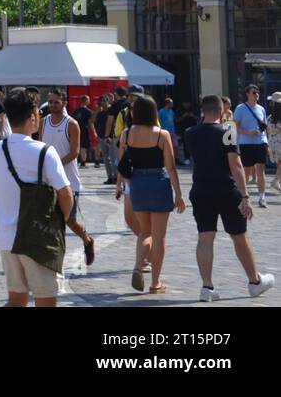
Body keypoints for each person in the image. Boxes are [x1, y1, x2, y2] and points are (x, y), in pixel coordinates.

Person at [183, 95, 274, 301]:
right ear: (221, 111)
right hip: (225, 189)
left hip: (201, 189)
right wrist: (245, 195)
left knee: (205, 237)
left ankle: (207, 287)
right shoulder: (228, 130)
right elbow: (235, 164)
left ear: (203, 111)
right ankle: (254, 281)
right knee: (239, 236)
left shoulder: (190, 133)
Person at [0, 87, 74, 307]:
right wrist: (62, 219)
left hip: (8, 239)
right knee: (46, 300)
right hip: (37, 239)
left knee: (16, 300)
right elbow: (65, 193)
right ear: (33, 116)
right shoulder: (45, 151)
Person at [115, 94, 184, 293]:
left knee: (144, 231)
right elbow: (171, 167)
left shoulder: (126, 134)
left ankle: (138, 266)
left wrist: (119, 184)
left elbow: (122, 164)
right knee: (159, 236)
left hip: (137, 183)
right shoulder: (162, 135)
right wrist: (178, 194)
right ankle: (155, 283)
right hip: (158, 182)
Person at [42, 89, 97, 265]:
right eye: (50, 102)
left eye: (56, 102)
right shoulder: (43, 122)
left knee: (70, 221)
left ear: (64, 103)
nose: (52, 105)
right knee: (50, 221)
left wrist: (55, 163)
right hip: (48, 181)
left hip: (69, 182)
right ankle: (54, 257)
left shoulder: (71, 124)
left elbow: (74, 152)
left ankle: (88, 240)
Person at [233, 84, 269, 207]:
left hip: (260, 142)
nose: (256, 94)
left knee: (260, 170)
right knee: (246, 171)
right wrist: (248, 132)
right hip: (246, 143)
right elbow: (235, 126)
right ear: (247, 94)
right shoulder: (240, 108)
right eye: (254, 92)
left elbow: (265, 126)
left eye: (258, 92)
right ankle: (243, 196)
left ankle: (262, 197)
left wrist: (267, 142)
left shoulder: (261, 109)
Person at [102, 88, 128, 184]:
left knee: (116, 157)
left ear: (116, 95)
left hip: (118, 134)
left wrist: (106, 136)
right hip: (132, 133)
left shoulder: (115, 105)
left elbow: (109, 122)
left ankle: (118, 179)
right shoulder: (129, 104)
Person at [73, 95, 95, 167]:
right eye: (88, 100)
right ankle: (83, 162)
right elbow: (90, 123)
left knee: (77, 145)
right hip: (84, 130)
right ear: (85, 101)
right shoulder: (88, 111)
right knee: (84, 147)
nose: (89, 101)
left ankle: (75, 161)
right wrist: (93, 132)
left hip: (76, 130)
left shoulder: (76, 111)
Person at [268, 93, 281, 194]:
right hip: (280, 140)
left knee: (280, 162)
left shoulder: (270, 117)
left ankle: (276, 180)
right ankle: (276, 180)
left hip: (272, 141)